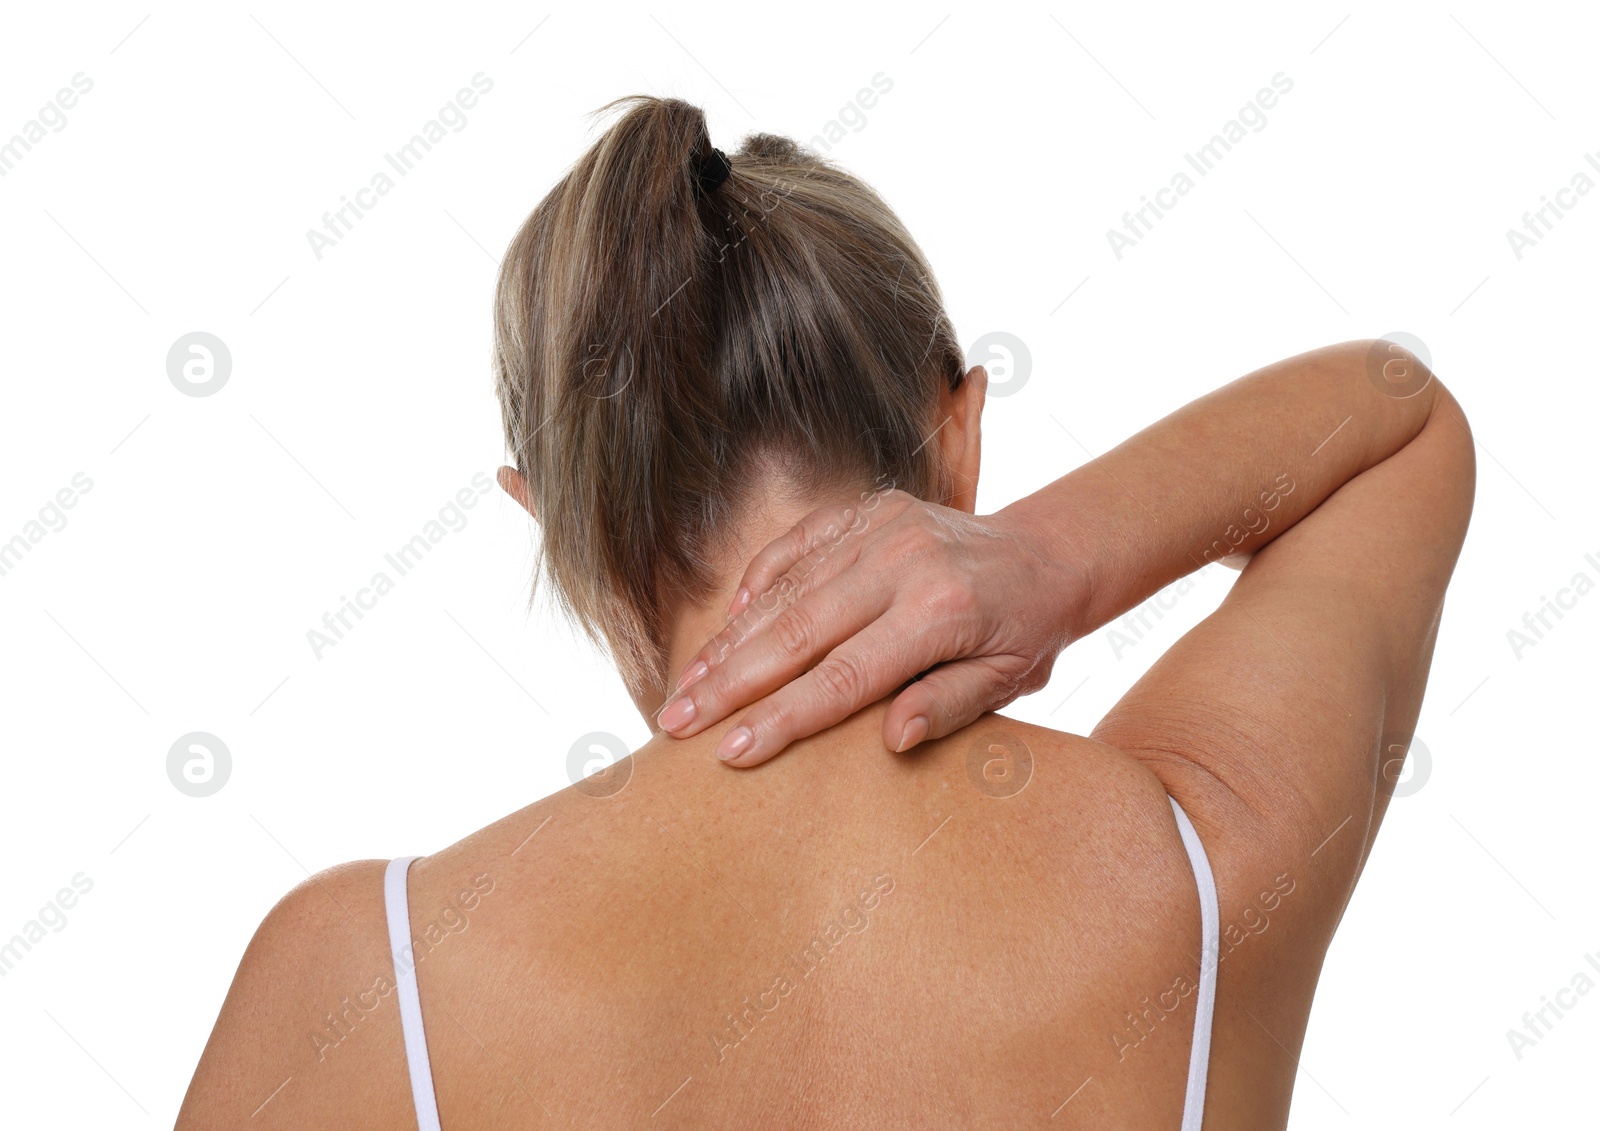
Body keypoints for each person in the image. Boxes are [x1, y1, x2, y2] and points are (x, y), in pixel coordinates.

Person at [177, 95, 1475, 1129]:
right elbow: (1396, 412)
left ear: (566, 529)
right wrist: (1045, 556)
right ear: (957, 441)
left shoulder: (368, 983)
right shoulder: (1194, 866)